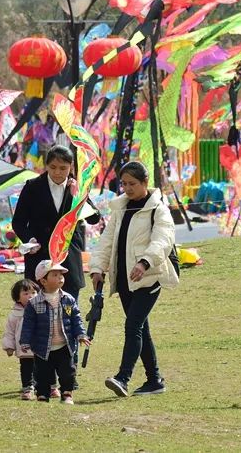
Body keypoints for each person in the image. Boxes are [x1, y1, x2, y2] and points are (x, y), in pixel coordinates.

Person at [90, 161, 179, 398]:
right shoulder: (120, 208)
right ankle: (154, 380)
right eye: (124, 184)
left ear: (145, 183)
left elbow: (163, 240)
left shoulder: (159, 210)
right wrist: (97, 268)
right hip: (124, 279)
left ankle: (123, 378)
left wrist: (144, 262)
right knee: (140, 328)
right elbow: (107, 241)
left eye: (132, 184)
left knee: (133, 326)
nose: (127, 188)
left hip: (149, 277)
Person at [12, 145, 86, 300]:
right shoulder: (32, 187)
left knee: (69, 308)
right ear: (46, 165)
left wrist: (79, 196)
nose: (57, 172)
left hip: (68, 257)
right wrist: (30, 240)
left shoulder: (77, 187)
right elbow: (18, 222)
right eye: (53, 167)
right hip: (40, 257)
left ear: (71, 167)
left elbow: (94, 218)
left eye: (63, 168)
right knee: (39, 307)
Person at [19, 260, 91, 404]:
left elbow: (76, 319)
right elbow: (28, 324)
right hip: (42, 347)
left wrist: (81, 334)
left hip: (64, 345)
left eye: (61, 274)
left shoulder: (68, 299)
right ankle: (42, 394)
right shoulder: (34, 303)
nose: (60, 277)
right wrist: (25, 341)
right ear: (43, 281)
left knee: (67, 372)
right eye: (55, 275)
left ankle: (67, 394)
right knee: (42, 373)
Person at [2, 279, 40, 400]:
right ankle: (27, 389)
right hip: (24, 348)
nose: (30, 296)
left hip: (41, 347)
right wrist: (9, 346)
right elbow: (10, 331)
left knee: (43, 368)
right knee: (26, 369)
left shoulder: (42, 309)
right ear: (17, 298)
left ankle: (48, 387)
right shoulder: (15, 314)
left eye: (33, 292)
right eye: (26, 293)